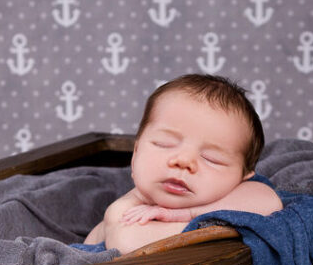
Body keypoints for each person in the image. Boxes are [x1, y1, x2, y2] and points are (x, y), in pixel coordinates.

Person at [83, 74, 283, 255]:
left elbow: (270, 201)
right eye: (165, 144)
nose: (184, 161)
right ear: (135, 155)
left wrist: (183, 215)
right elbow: (128, 244)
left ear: (242, 177)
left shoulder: (242, 192)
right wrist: (218, 224)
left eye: (212, 158)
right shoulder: (124, 209)